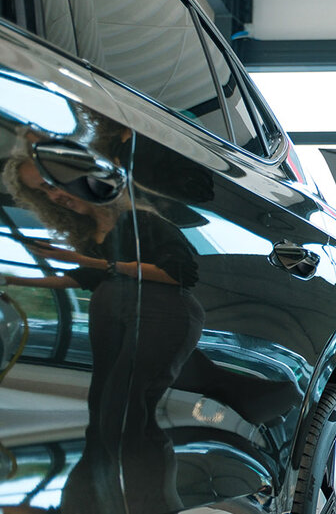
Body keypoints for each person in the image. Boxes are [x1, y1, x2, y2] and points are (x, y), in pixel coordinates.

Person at [1, 142, 203, 513]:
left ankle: (148, 504)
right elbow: (83, 279)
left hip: (160, 317)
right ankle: (90, 504)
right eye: (43, 191)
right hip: (116, 319)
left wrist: (91, 263)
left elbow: (180, 273)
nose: (54, 195)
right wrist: (14, 280)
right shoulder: (91, 233)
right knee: (103, 412)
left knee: (125, 411)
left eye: (53, 181)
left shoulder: (141, 222)